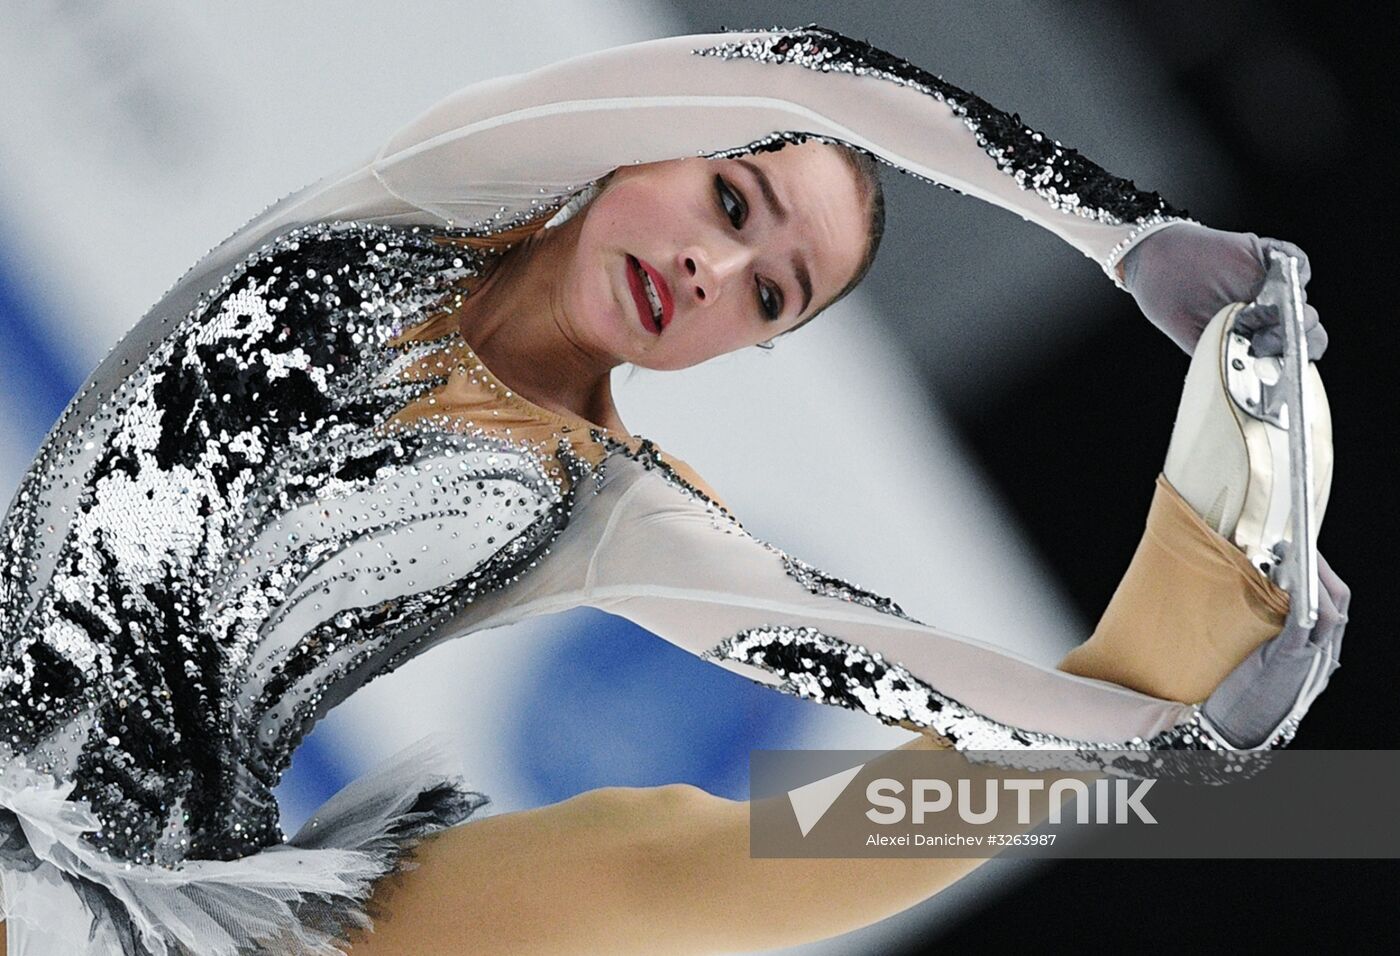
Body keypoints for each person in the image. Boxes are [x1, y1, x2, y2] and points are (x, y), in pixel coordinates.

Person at [0, 24, 1348, 956]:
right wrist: (1120, 230)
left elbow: (884, 661)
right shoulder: (442, 183)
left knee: (671, 858)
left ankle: (1194, 630)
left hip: (144, 906)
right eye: (727, 197)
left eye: (769, 292)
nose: (713, 265)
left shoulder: (604, 509)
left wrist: (1155, 730)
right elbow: (811, 75)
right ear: (648, 147)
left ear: (744, 345)